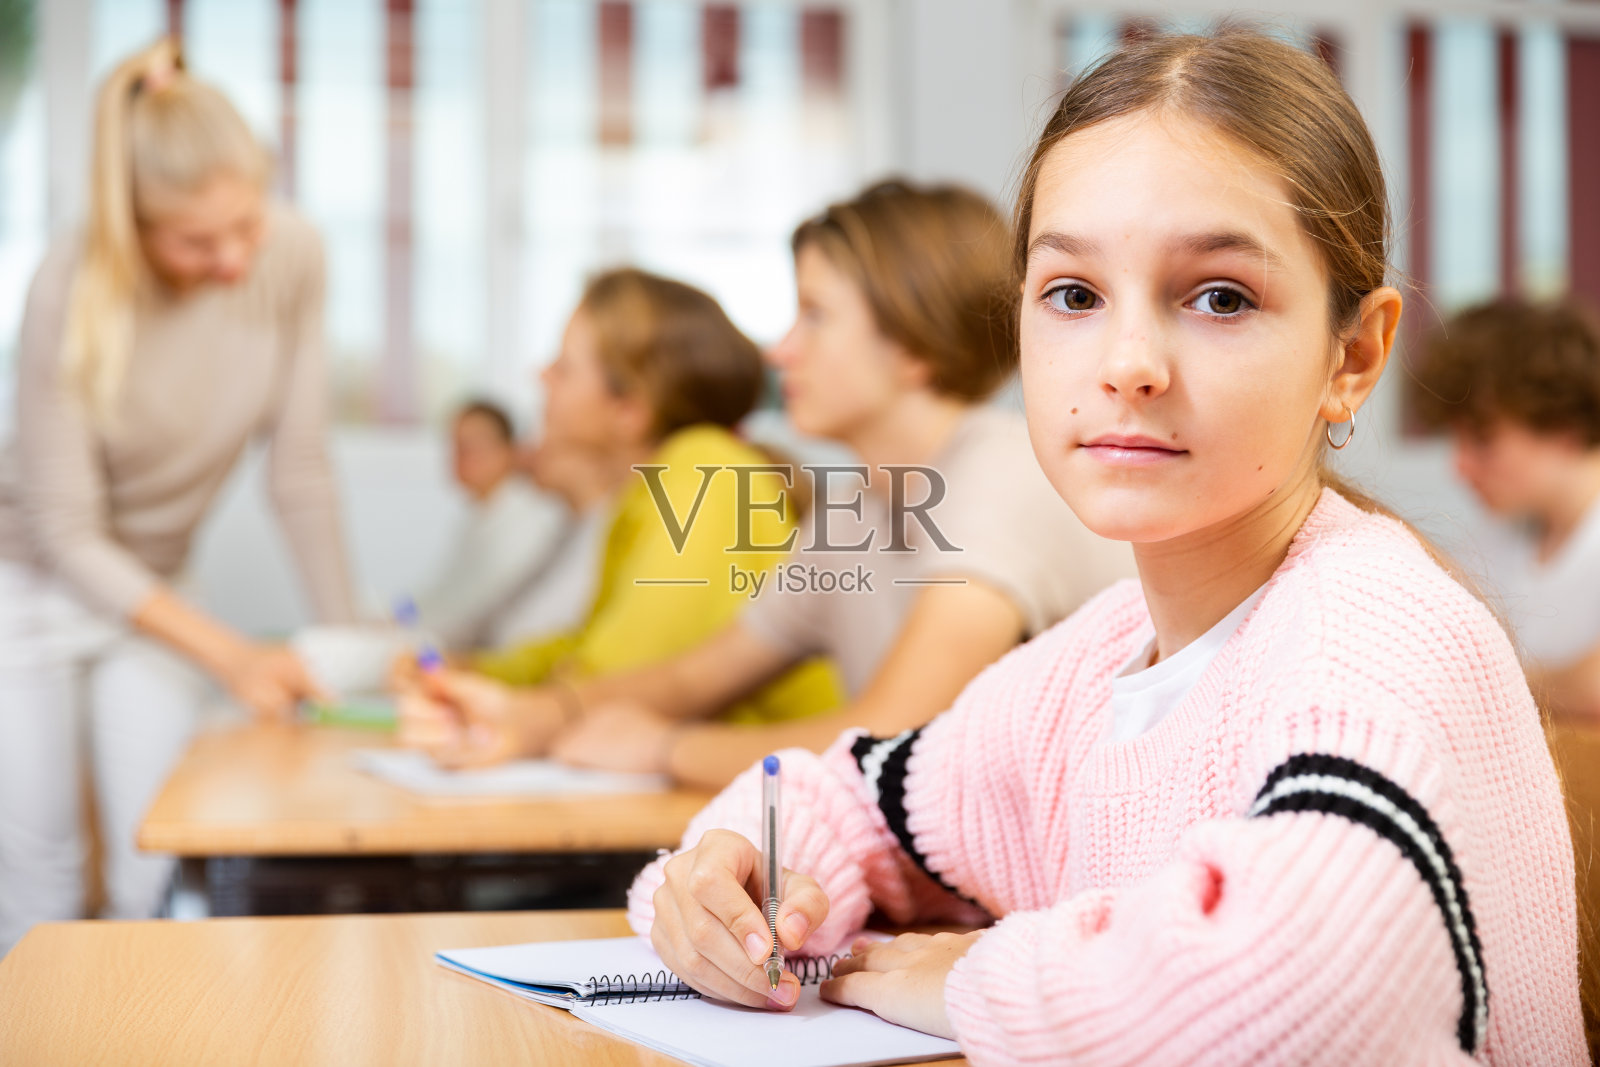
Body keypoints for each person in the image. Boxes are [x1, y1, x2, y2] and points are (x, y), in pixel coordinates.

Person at [625, 28, 1586, 1063]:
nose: (1128, 362)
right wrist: (729, 881)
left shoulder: (1376, 623)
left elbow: (1301, 989)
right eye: (1073, 294)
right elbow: (841, 793)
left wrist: (976, 977)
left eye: (1220, 296)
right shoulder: (1093, 661)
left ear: (1352, 355)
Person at [401, 180, 1135, 790]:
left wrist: (666, 750)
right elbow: (698, 675)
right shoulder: (858, 505)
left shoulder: (1000, 470)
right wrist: (533, 717)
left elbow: (900, 734)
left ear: (911, 346)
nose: (782, 349)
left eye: (814, 316)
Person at [0, 40, 357, 953]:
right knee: (38, 875)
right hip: (28, 586)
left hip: (153, 585)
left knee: (153, 863)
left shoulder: (294, 253)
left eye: (247, 224)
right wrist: (234, 657)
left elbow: (301, 470)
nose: (236, 259)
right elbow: (68, 532)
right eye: (199, 242)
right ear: (134, 226)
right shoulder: (68, 287)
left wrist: (352, 649)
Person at [396, 268, 842, 767]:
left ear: (629, 409)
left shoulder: (705, 470)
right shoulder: (645, 494)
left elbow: (623, 671)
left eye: (563, 368)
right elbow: (593, 643)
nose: (541, 377)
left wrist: (516, 704)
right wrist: (482, 673)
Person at [1411, 298, 1600, 722]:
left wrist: (1484, 682)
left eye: (1482, 439)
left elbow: (1594, 688)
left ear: (1563, 424)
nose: (1459, 466)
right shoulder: (1497, 539)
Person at [411, 399, 601, 651]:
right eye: (456, 447)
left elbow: (498, 624)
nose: (459, 458)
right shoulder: (478, 517)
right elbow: (444, 596)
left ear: (509, 450)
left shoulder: (528, 520)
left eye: (472, 447)